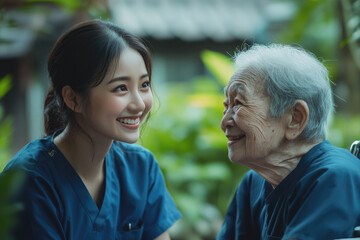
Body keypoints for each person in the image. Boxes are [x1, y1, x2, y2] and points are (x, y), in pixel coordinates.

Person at [1, 19, 181, 240]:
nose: (140, 104)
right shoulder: (31, 182)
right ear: (73, 98)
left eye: (144, 85)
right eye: (121, 88)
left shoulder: (141, 169)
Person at [217, 44, 360, 240]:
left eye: (239, 104)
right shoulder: (254, 183)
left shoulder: (334, 178)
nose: (224, 122)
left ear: (295, 118)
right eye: (227, 106)